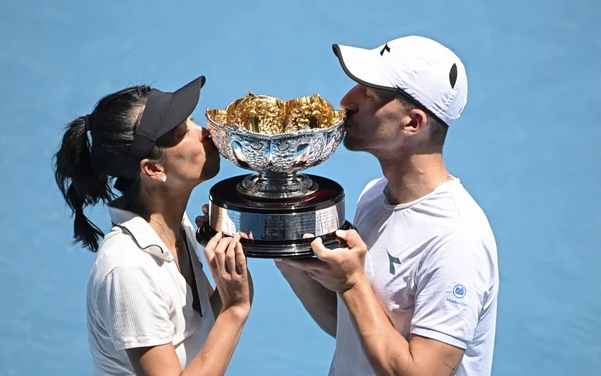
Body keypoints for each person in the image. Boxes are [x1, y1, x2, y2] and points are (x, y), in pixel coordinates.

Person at [275, 35, 499, 376]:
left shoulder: (456, 239)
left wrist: (352, 283)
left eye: (369, 93)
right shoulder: (373, 197)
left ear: (413, 123)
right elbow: (351, 327)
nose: (346, 101)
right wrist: (289, 257)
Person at [52, 75, 253, 376]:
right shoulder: (127, 270)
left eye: (192, 120)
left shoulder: (175, 227)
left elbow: (194, 332)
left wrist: (230, 276)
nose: (207, 132)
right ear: (153, 169)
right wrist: (235, 310)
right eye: (183, 130)